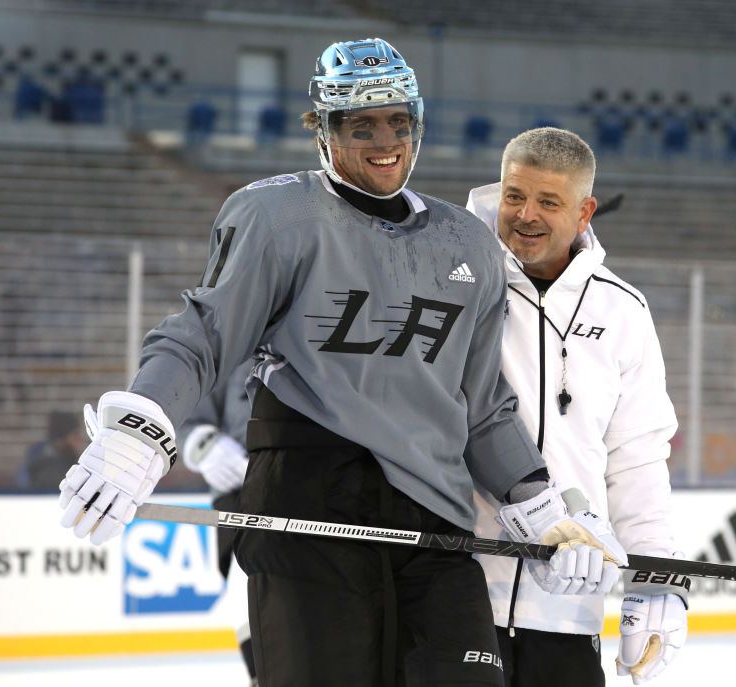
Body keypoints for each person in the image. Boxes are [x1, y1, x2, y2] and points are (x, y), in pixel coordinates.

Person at [58, 38, 628, 687]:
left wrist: (542, 507)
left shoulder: (466, 241)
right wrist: (141, 429)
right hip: (309, 521)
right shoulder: (277, 217)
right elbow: (202, 335)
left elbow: (483, 407)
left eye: (399, 122)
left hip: (436, 538)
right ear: (324, 131)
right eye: (362, 125)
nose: (386, 140)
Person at [466, 127, 688, 686]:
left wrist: (655, 582)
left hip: (569, 601)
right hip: (458, 594)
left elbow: (637, 458)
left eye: (549, 201)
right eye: (515, 196)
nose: (526, 215)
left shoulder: (624, 311)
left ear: (585, 211)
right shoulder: (459, 281)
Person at [177, 362, 256, 686]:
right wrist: (204, 446)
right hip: (242, 496)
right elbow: (186, 418)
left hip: (322, 491)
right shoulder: (233, 338)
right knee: (246, 587)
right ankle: (262, 674)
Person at [16, 411, 87, 490]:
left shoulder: (72, 459)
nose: (79, 440)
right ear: (62, 437)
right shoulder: (41, 460)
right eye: (75, 434)